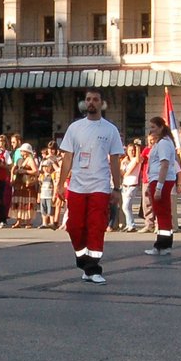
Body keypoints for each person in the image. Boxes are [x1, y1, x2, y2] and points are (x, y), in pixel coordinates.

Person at [58, 88, 124, 284]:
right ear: (84, 103)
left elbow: (114, 160)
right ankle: (82, 257)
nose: (91, 103)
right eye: (88, 99)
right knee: (74, 226)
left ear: (101, 103)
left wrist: (117, 188)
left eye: (95, 99)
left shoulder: (110, 129)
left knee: (96, 226)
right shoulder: (75, 128)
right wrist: (61, 184)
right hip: (77, 185)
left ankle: (94, 268)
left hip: (100, 185)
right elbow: (67, 157)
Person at [143, 116, 178, 256]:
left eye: (153, 127)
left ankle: (161, 245)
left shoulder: (163, 143)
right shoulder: (163, 142)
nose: (151, 130)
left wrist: (159, 187)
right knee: (164, 213)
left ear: (161, 127)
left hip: (160, 179)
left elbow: (164, 165)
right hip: (161, 179)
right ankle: (166, 243)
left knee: (161, 213)